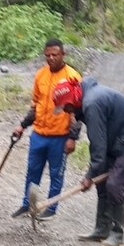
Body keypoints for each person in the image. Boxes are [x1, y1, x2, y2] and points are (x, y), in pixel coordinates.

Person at [51, 77, 124, 246]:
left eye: (66, 107)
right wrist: (94, 174)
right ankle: (102, 229)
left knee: (115, 185)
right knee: (102, 183)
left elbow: (98, 147)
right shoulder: (85, 99)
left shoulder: (92, 104)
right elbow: (98, 144)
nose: (65, 111)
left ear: (73, 100)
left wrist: (89, 176)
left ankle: (117, 235)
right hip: (114, 137)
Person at [10, 38, 82, 218]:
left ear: (63, 54)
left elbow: (78, 112)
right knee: (32, 171)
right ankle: (27, 205)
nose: (51, 58)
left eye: (54, 55)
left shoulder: (73, 77)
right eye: (47, 55)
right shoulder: (40, 75)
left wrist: (73, 138)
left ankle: (51, 209)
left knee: (56, 174)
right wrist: (22, 126)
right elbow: (36, 106)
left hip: (60, 136)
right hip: (39, 135)